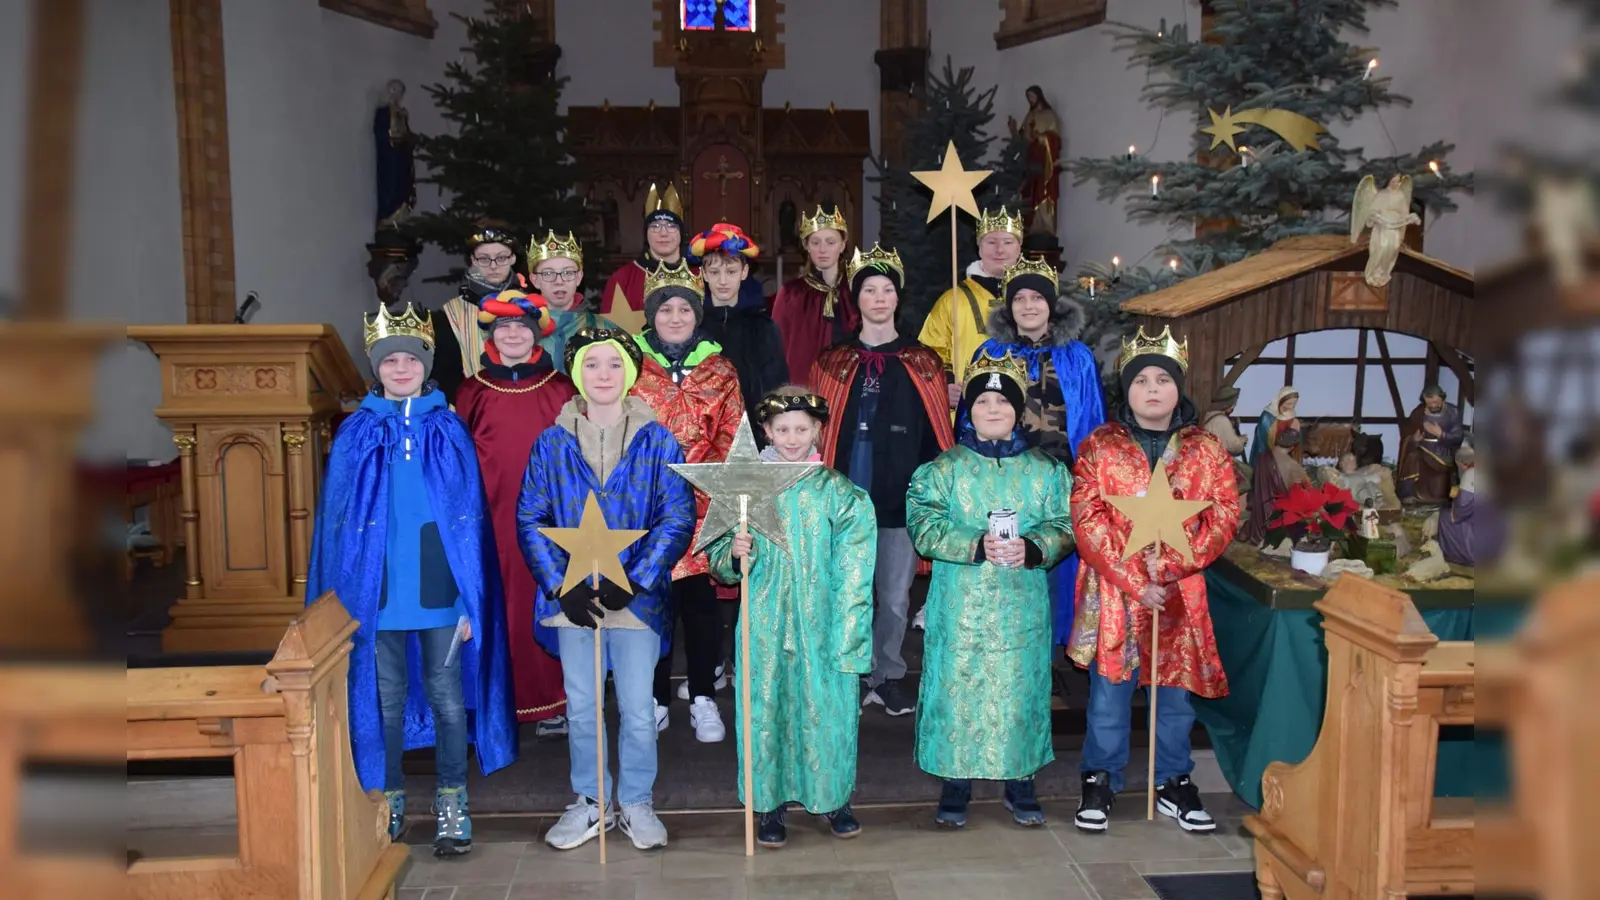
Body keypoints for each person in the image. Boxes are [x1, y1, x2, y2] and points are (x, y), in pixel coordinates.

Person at [306, 303, 517, 857]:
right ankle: (389, 796)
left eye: (411, 359)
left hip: (439, 591)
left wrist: (470, 599)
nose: (402, 368)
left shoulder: (449, 429)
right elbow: (339, 524)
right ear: (376, 368)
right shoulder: (355, 432)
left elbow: (468, 521)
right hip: (374, 595)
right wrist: (342, 597)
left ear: (427, 365)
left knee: (448, 700)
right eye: (390, 360)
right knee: (387, 700)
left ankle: (452, 799)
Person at [517, 328, 695, 852]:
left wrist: (637, 580)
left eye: (613, 365)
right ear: (577, 374)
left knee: (639, 709)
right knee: (581, 705)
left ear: (629, 373)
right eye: (591, 365)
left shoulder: (658, 440)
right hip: (573, 600)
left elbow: (676, 515)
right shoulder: (551, 443)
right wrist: (559, 584)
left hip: (635, 602)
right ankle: (591, 800)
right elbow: (531, 515)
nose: (602, 375)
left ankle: (636, 799)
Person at [1067, 326, 1241, 835]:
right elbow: (1087, 516)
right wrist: (1131, 577)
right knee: (1109, 691)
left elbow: (1226, 512)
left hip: (1179, 591)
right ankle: (1101, 776)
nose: (1152, 389)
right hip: (1118, 590)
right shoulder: (1100, 446)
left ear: (1177, 388)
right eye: (1141, 380)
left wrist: (1173, 568)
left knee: (1174, 694)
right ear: (1128, 389)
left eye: (1162, 379)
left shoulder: (1205, 449)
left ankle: (1173, 780)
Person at [906, 352, 1075, 829]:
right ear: (969, 410)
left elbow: (1066, 522)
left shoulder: (1045, 470)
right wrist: (973, 543)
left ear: (1019, 410)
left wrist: (1037, 547)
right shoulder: (944, 470)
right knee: (958, 684)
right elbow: (923, 525)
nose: (994, 408)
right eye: (983, 400)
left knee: (1020, 686)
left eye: (1004, 400)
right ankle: (956, 779)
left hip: (1020, 601)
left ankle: (1020, 778)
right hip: (961, 601)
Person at [707, 386, 876, 848]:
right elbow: (720, 560)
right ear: (766, 431)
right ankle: (769, 801)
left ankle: (833, 797)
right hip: (765, 618)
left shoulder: (841, 494)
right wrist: (732, 552)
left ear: (818, 430)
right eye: (782, 429)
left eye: (802, 429)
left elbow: (856, 567)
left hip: (824, 620)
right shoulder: (745, 490)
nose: (792, 437)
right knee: (767, 707)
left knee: (827, 708)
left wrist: (850, 633)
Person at [811, 244, 955, 718]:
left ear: (898, 297)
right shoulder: (833, 361)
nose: (878, 298)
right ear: (858, 298)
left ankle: (887, 674)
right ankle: (847, 674)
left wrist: (933, 495)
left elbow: (937, 435)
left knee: (894, 598)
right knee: (845, 590)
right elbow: (816, 433)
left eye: (886, 290)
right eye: (869, 289)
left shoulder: (922, 360)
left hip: (899, 499)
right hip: (846, 498)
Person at [628, 260, 744, 741]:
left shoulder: (719, 370)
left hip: (701, 506)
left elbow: (732, 438)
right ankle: (653, 698)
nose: (675, 317)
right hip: (643, 507)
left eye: (684, 309)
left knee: (699, 606)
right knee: (651, 606)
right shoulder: (628, 364)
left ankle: (701, 696)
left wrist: (722, 496)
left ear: (697, 315)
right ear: (651, 315)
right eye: (665, 309)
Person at [454, 289, 576, 740]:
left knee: (545, 597)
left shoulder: (562, 387)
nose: (511, 335)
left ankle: (554, 702)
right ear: (491, 336)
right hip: (491, 515)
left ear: (537, 334)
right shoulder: (471, 390)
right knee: (498, 600)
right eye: (502, 328)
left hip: (549, 518)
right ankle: (497, 700)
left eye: (520, 328)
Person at [966, 255, 1105, 642]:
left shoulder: (1077, 357)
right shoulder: (990, 354)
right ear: (1009, 308)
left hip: (1060, 478)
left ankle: (1049, 649)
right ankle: (1003, 644)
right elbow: (970, 417)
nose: (1029, 306)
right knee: (1007, 558)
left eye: (1037, 298)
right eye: (1020, 298)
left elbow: (1093, 419)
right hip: (1004, 478)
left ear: (1052, 305)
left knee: (1054, 561)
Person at [919, 207, 1025, 404]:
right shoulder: (952, 300)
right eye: (991, 242)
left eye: (1008, 242)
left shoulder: (1034, 301)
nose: (1000, 250)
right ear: (980, 247)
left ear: (1019, 248)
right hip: (967, 411)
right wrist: (945, 385)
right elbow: (928, 353)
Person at [691, 223, 789, 435]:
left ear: (744, 272)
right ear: (704, 275)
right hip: (703, 434)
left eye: (731, 271)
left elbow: (775, 386)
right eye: (715, 272)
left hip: (753, 432)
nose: (723, 281)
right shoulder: (693, 328)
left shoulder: (763, 327)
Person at [436, 226, 533, 401]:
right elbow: (446, 376)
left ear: (512, 258)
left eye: (501, 257)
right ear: (473, 260)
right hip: (474, 407)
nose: (493, 265)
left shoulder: (531, 306)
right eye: (484, 259)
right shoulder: (451, 313)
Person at [771, 206, 859, 382]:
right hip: (804, 383)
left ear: (842, 245)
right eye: (815, 242)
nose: (822, 249)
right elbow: (775, 345)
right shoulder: (791, 293)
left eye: (830, 242)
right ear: (806, 246)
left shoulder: (855, 290)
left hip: (849, 380)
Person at [529, 230, 618, 371]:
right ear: (534, 280)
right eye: (548, 273)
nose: (559, 281)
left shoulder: (602, 328)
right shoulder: (521, 330)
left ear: (579, 277)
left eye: (568, 273)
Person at [600, 183, 690, 320]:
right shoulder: (622, 278)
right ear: (646, 234)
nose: (663, 233)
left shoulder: (697, 273)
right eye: (655, 227)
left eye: (671, 226)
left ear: (681, 233)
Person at [1242, 428, 1312, 546]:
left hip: (1259, 508)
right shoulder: (1291, 464)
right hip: (1277, 513)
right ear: (1293, 446)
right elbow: (1298, 489)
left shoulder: (1261, 458)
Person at [1397, 385, 1465, 505]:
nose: (1433, 405)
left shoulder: (1452, 412)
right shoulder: (1419, 412)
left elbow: (1458, 436)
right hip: (1422, 447)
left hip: (1443, 452)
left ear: (1442, 398)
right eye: (1429, 403)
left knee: (1440, 490)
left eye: (1436, 402)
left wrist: (1441, 434)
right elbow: (1408, 433)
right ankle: (1408, 496)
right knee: (1412, 457)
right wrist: (1414, 439)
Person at [1202, 385, 1252, 499]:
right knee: (1249, 475)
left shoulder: (1209, 415)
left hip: (1210, 460)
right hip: (1219, 462)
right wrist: (1243, 439)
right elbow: (1234, 446)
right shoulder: (1221, 420)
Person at [1248, 386, 1300, 466]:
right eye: (1288, 404)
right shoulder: (1268, 416)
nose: (1291, 407)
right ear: (1280, 401)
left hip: (1285, 456)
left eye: (1294, 404)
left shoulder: (1292, 415)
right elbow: (1262, 440)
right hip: (1268, 457)